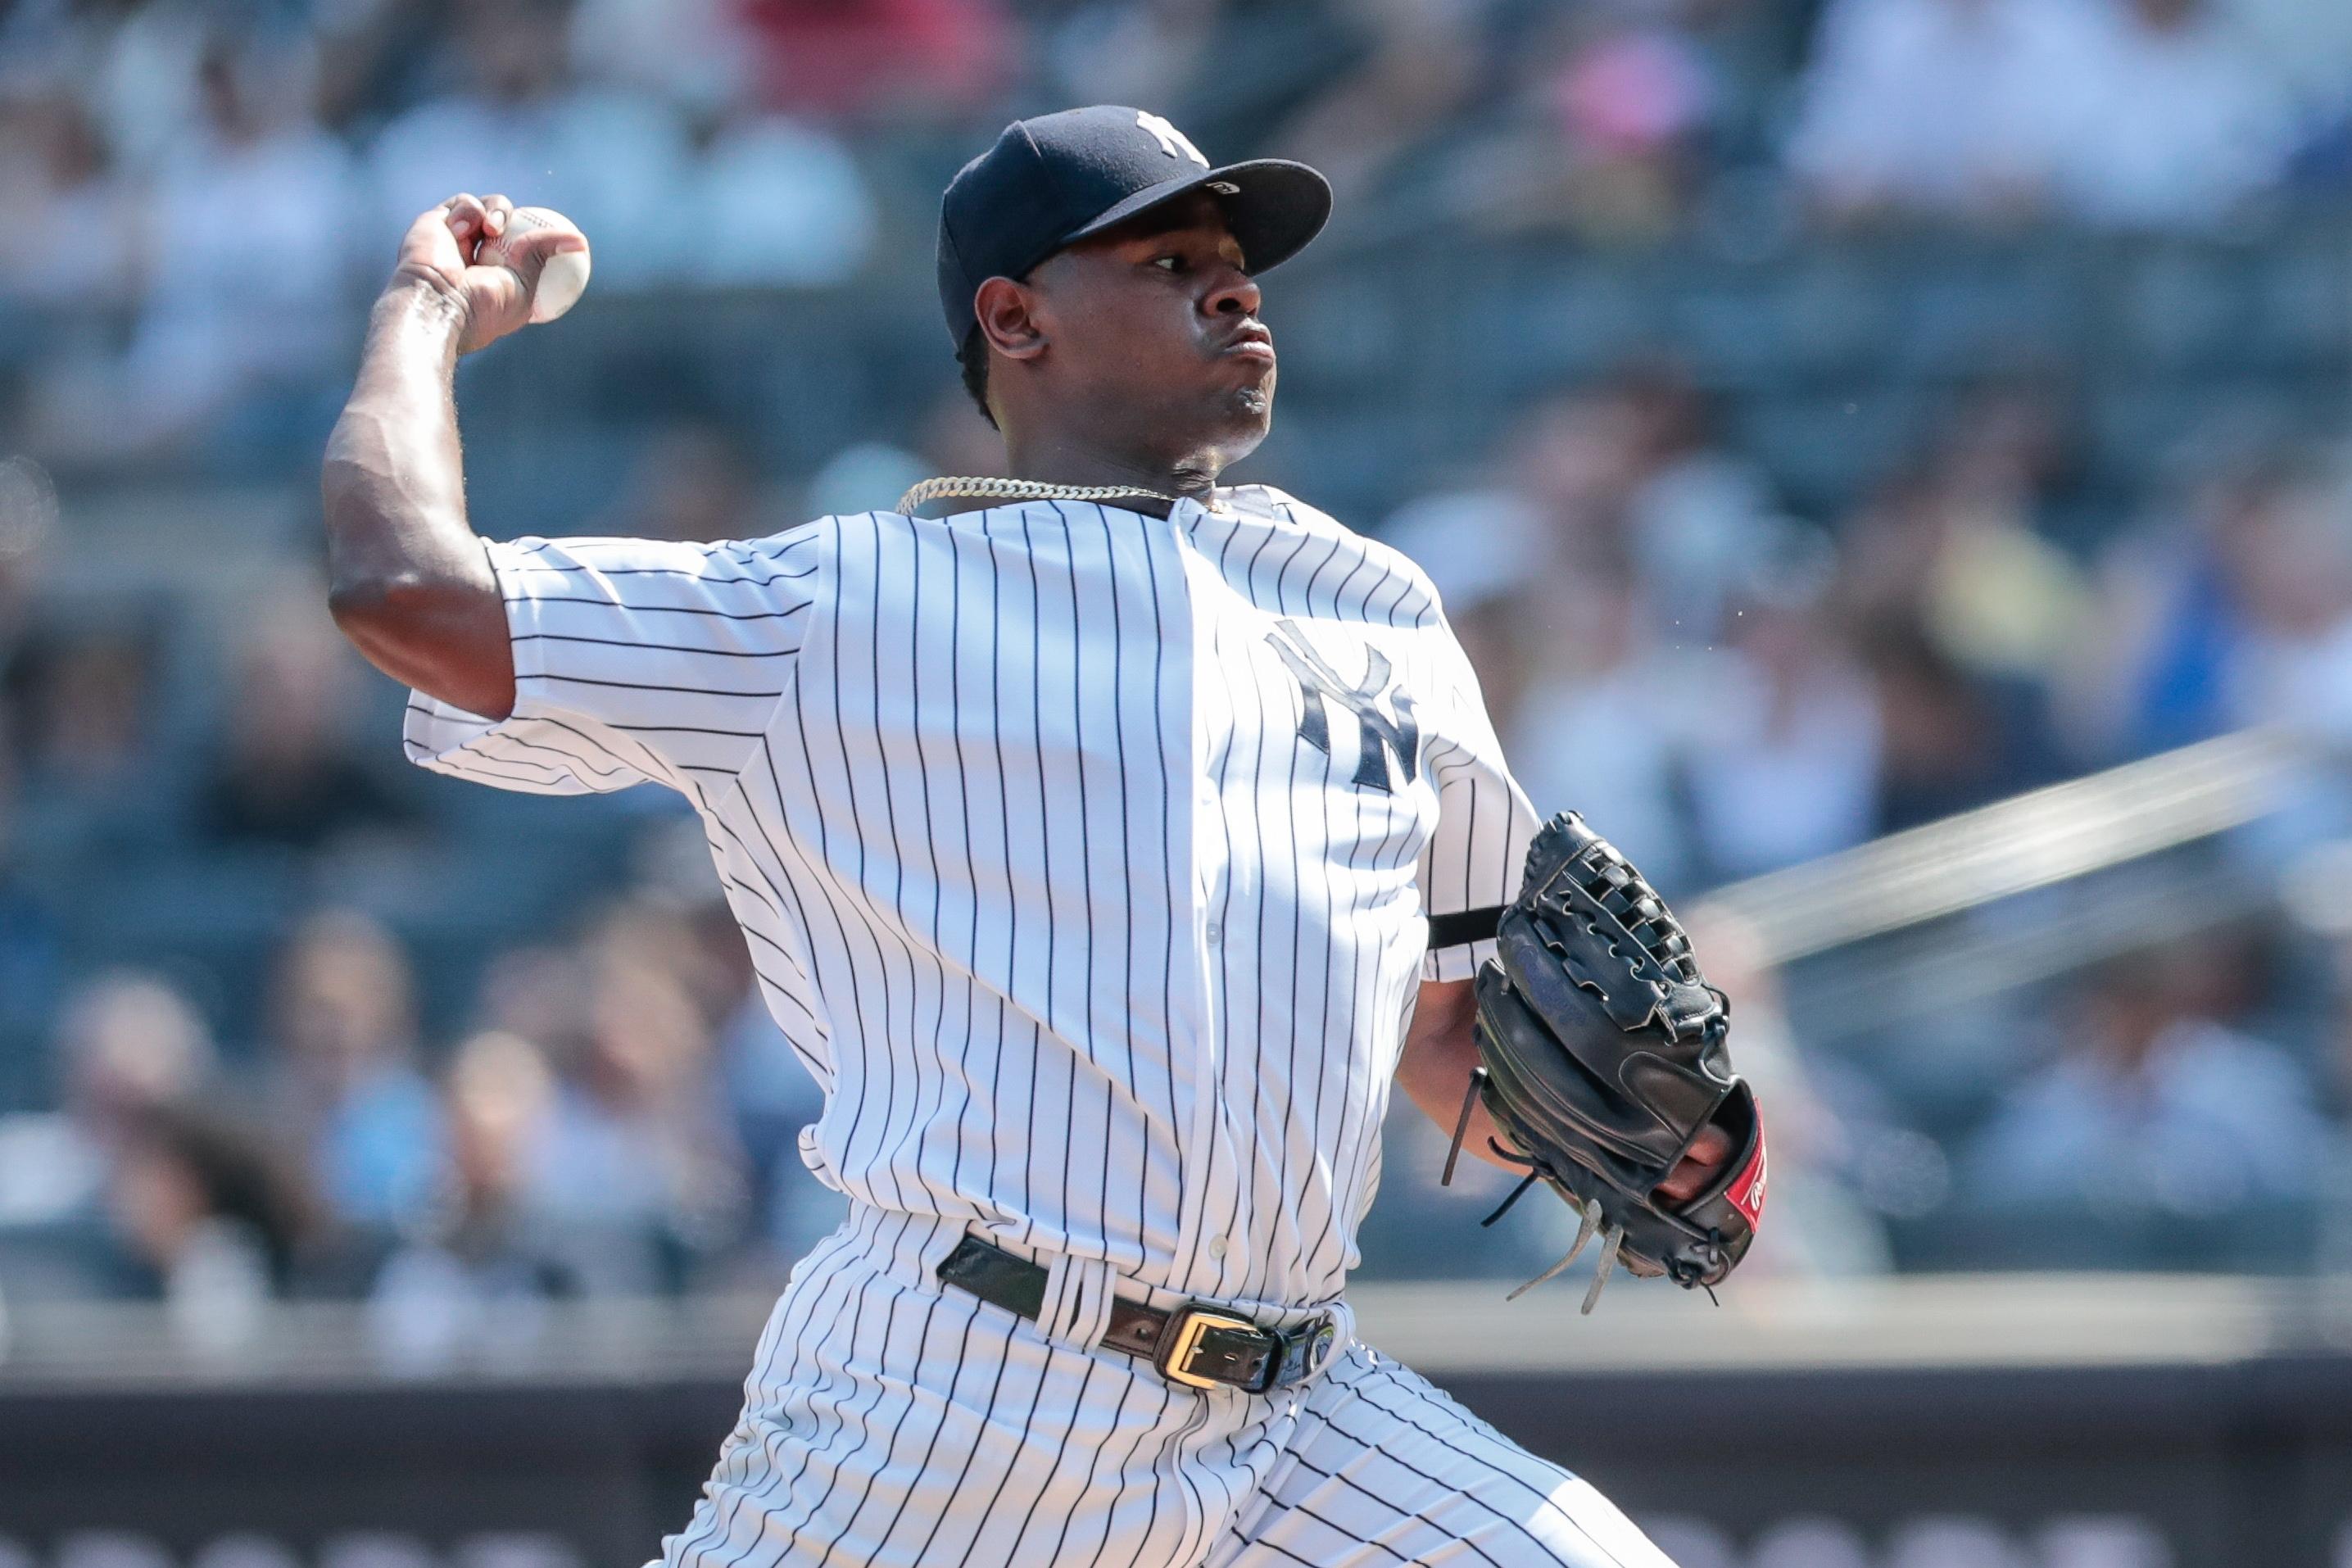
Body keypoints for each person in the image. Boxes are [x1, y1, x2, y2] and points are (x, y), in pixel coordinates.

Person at [320, 105, 1733, 1566]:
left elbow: (1446, 1035)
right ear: (1014, 317)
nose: (1236, 287)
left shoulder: (1374, 604)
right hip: (957, 1393)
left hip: (1294, 1414)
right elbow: (402, 588)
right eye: (1170, 255)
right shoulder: (837, 604)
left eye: (1238, 261)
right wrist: (423, 309)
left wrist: (1648, 1144)